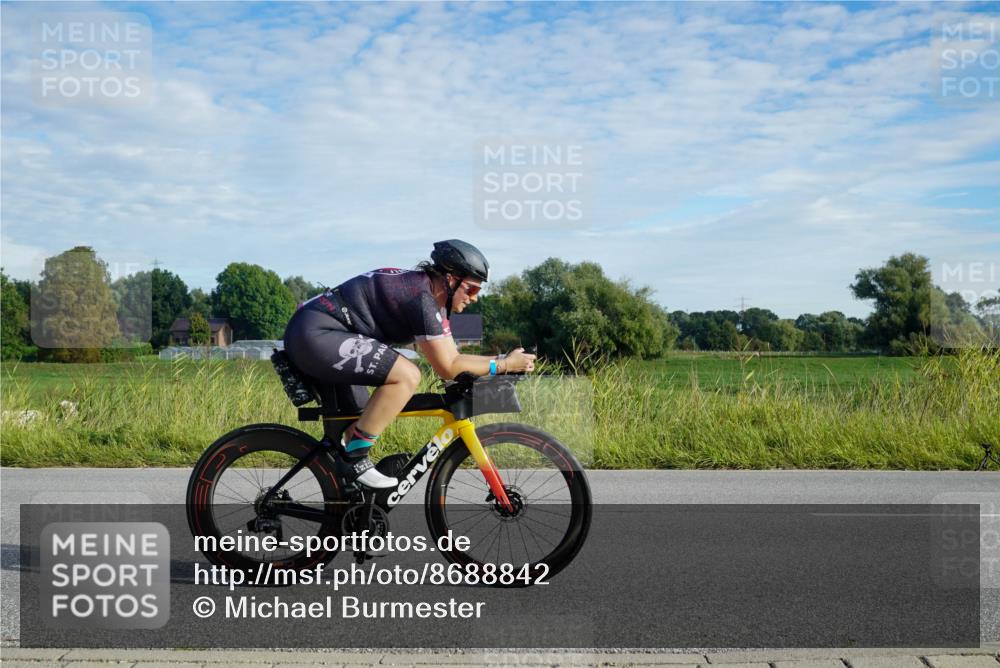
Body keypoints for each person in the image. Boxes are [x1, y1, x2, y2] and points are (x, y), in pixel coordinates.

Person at [282, 239, 536, 488]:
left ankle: (349, 503)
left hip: (320, 334)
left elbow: (454, 361)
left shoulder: (432, 301)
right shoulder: (422, 298)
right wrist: (503, 363)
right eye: (471, 289)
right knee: (407, 375)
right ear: (450, 278)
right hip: (315, 334)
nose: (475, 298)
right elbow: (448, 366)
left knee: (358, 421)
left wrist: (497, 366)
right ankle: (354, 460)